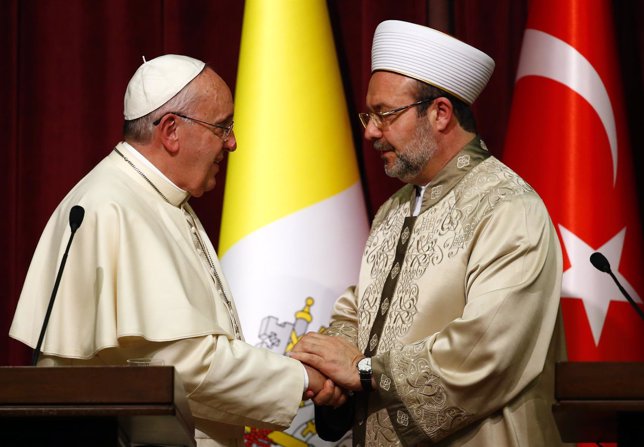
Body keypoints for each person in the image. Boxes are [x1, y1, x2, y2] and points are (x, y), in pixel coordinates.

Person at [9, 54, 339, 447]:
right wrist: (301, 378)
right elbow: (180, 365)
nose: (232, 143)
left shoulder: (159, 199)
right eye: (223, 127)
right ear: (171, 131)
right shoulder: (113, 207)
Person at [291, 20, 567, 446]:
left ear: (439, 113)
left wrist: (364, 372)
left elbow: (485, 351)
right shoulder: (394, 209)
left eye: (385, 114)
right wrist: (324, 362)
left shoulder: (509, 208)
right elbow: (359, 313)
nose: (370, 131)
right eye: (369, 115)